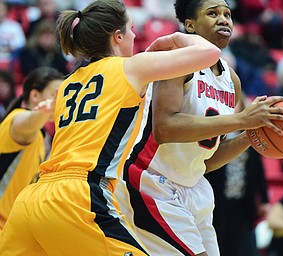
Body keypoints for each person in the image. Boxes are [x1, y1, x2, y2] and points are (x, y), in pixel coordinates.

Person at [0, 0, 222, 255]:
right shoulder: (130, 68)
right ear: (118, 37)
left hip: (31, 199)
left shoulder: (67, 84)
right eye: (131, 29)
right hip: (80, 195)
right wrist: (174, 37)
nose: (136, 35)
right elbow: (210, 53)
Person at [115, 0, 283, 255]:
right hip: (152, 181)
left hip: (195, 186)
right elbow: (165, 128)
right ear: (190, 25)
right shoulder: (174, 61)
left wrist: (252, 134)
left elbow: (209, 159)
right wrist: (243, 120)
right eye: (212, 13)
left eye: (227, 14)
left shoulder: (231, 79)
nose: (224, 19)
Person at [204, 94, 270, 256]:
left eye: (237, 105)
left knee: (237, 243)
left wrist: (264, 199)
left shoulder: (249, 134)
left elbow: (258, 171)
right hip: (216, 197)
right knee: (217, 240)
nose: (234, 108)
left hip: (241, 198)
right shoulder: (216, 133)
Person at [0, 66, 63, 231]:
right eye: (55, 95)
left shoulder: (43, 136)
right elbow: (28, 122)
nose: (60, 101)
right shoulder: (16, 120)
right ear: (35, 95)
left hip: (13, 228)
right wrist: (44, 112)